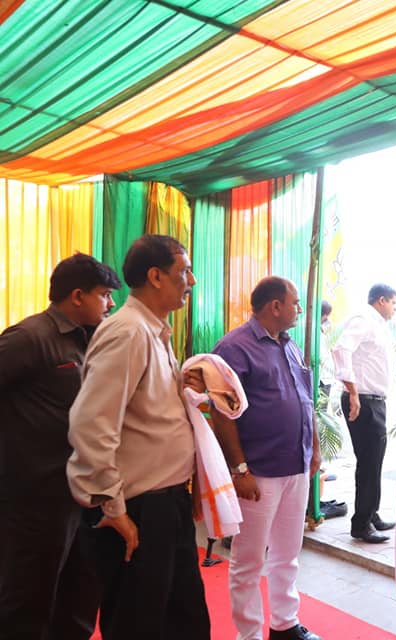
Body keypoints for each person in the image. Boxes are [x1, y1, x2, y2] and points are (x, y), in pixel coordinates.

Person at [66, 234, 209, 639]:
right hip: (138, 508)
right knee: (138, 623)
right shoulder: (127, 332)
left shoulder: (152, 331)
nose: (192, 281)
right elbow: (92, 425)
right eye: (184, 271)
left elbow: (142, 413)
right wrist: (113, 510)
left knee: (184, 620)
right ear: (156, 277)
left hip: (165, 504)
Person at [0, 253, 120, 640]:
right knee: (30, 596)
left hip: (81, 493)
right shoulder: (29, 337)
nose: (111, 303)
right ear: (78, 296)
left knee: (82, 592)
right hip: (34, 497)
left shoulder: (92, 340)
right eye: (104, 295)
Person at [209, 276, 322, 640]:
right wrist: (239, 468)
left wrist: (315, 449)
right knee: (248, 560)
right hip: (258, 471)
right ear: (276, 306)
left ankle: (285, 624)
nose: (299, 309)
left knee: (288, 553)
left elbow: (306, 401)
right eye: (295, 302)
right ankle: (249, 635)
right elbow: (222, 412)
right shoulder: (234, 348)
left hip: (296, 465)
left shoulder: (288, 344)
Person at [332, 283, 396, 544]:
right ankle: (361, 524)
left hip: (374, 402)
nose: (395, 309)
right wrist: (352, 391)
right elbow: (340, 349)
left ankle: (371, 515)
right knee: (368, 463)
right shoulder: (364, 319)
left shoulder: (378, 325)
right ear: (381, 300)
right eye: (394, 303)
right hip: (364, 402)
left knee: (374, 462)